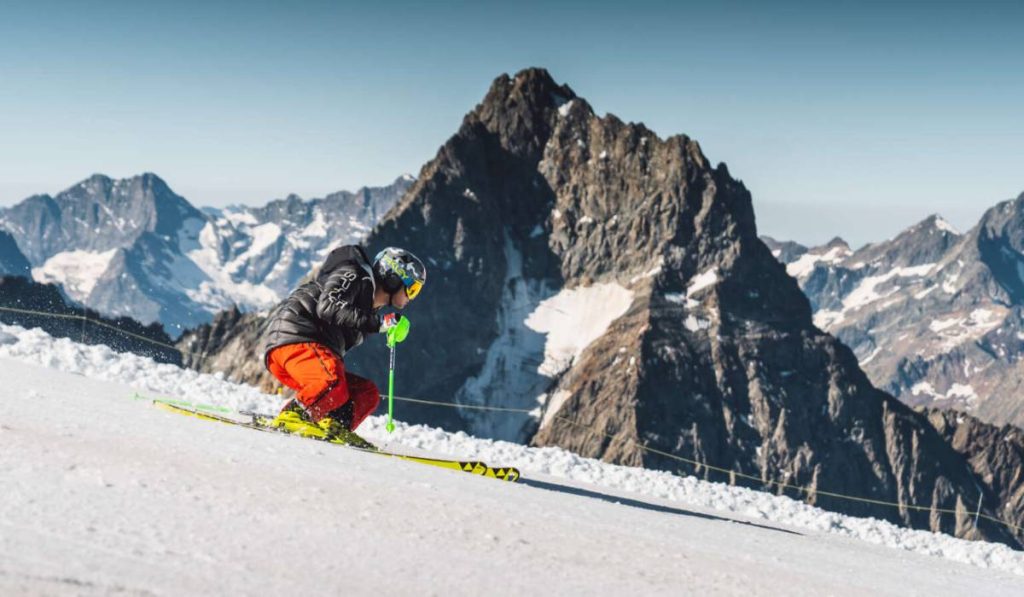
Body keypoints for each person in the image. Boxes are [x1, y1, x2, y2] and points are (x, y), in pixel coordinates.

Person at [260, 245, 425, 447]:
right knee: (332, 380)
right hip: (294, 339)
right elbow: (327, 307)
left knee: (366, 393)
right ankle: (294, 415)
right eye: (412, 288)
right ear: (393, 279)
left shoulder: (369, 309)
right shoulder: (355, 274)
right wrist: (379, 324)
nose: (412, 296)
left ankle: (333, 424)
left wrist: (380, 324)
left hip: (308, 355)